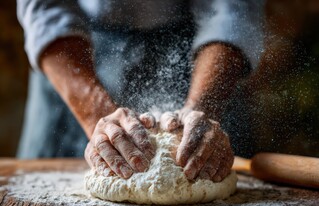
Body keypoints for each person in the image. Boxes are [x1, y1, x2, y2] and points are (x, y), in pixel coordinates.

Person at [17, 0, 265, 182]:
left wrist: (202, 107)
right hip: (72, 47)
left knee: (204, 157)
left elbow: (231, 10)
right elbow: (45, 8)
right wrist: (99, 119)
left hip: (201, 50)